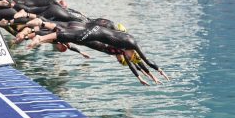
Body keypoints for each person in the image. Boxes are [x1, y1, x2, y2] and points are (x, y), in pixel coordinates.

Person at [21, 18, 170, 85]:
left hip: (97, 30)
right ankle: (39, 38)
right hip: (96, 33)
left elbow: (140, 64)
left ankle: (41, 25)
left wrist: (153, 76)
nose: (127, 58)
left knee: (69, 32)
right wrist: (157, 72)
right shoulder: (128, 45)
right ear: (132, 54)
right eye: (130, 57)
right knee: (71, 36)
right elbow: (143, 62)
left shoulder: (127, 46)